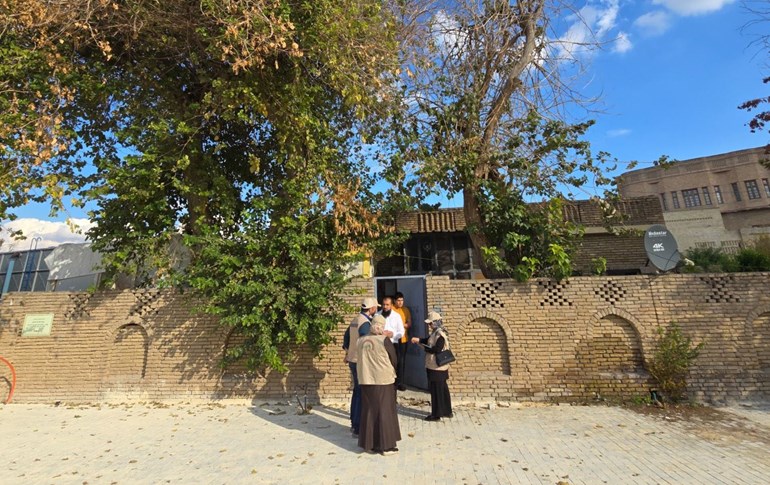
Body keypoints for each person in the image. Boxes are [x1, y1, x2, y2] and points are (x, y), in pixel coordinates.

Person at [357, 314, 401, 455]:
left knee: (369, 411)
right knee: (384, 411)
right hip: (383, 380)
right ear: (381, 327)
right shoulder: (384, 340)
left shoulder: (361, 340)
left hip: (366, 379)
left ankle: (370, 444)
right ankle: (385, 446)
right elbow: (394, 359)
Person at [343, 297, 379, 436]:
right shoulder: (365, 323)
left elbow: (345, 339)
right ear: (371, 309)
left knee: (356, 391)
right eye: (375, 307)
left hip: (352, 360)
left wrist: (348, 353)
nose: (376, 309)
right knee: (360, 392)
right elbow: (366, 342)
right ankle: (358, 426)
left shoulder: (355, 320)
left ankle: (354, 422)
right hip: (360, 361)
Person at [411, 311, 453, 421]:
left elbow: (436, 349)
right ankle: (446, 411)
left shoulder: (440, 335)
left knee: (437, 391)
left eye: (430, 323)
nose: (429, 325)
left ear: (435, 322)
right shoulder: (436, 333)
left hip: (437, 368)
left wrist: (423, 347)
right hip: (437, 367)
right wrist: (419, 340)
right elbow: (428, 340)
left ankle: (436, 414)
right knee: (442, 390)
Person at [392, 292, 412, 391]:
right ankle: (393, 381)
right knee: (394, 360)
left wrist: (400, 325)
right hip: (394, 339)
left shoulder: (405, 310)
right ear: (394, 301)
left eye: (402, 300)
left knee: (402, 361)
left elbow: (409, 324)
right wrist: (401, 324)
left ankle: (400, 382)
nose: (400, 302)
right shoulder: (391, 309)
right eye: (398, 300)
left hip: (403, 338)